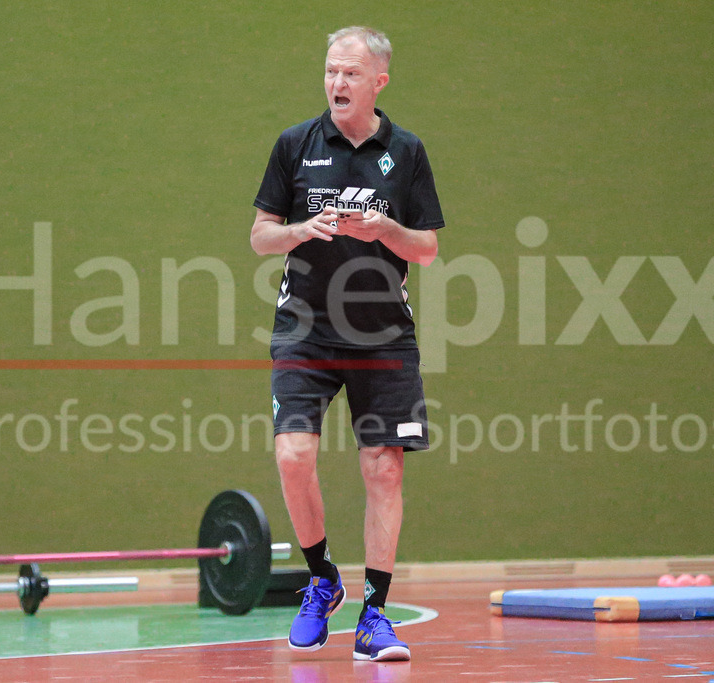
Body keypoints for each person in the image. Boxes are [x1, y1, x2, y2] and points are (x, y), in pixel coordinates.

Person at [249, 26, 444, 662]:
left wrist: (388, 226)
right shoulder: (294, 145)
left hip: (384, 334)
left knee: (382, 468)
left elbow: (429, 249)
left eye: (351, 74)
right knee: (294, 455)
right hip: (304, 325)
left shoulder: (407, 152)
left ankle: (376, 614)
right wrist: (301, 229)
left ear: (378, 81)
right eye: (331, 72)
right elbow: (260, 237)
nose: (337, 83)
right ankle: (322, 579)